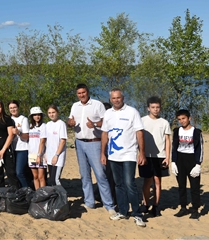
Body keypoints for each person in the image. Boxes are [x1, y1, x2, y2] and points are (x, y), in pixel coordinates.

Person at [67, 83, 115, 216]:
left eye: (83, 92)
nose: (81, 95)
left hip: (95, 143)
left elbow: (106, 122)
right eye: (79, 93)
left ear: (88, 92)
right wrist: (69, 123)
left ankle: (109, 204)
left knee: (100, 174)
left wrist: (94, 124)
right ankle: (89, 202)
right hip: (79, 143)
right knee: (84, 175)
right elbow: (70, 120)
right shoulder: (75, 106)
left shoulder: (97, 105)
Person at [101, 89, 147, 227]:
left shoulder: (132, 112)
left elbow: (139, 133)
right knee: (118, 184)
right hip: (113, 155)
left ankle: (137, 214)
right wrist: (102, 153)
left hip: (129, 154)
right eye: (113, 98)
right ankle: (123, 211)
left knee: (130, 184)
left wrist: (142, 153)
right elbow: (104, 134)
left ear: (123, 98)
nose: (116, 100)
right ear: (110, 99)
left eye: (118, 97)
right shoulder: (108, 113)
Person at [139, 96, 171, 217]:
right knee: (147, 181)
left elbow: (167, 140)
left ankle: (156, 206)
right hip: (146, 155)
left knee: (158, 181)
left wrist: (167, 157)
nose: (155, 109)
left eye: (157, 107)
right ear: (148, 108)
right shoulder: (142, 121)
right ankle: (145, 204)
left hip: (160, 156)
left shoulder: (164, 122)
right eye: (153, 107)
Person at [171, 109, 203, 220]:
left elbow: (200, 149)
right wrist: (173, 162)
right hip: (180, 159)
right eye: (179, 119)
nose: (182, 121)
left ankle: (195, 209)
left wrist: (198, 164)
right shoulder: (176, 131)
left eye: (183, 118)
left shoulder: (196, 132)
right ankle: (183, 207)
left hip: (192, 160)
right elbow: (174, 147)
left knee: (194, 187)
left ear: (189, 118)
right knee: (181, 186)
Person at [9, 100, 32, 188]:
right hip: (11, 149)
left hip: (22, 149)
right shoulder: (9, 119)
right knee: (14, 173)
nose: (13, 109)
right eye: (11, 108)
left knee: (19, 172)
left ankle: (27, 189)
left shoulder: (23, 119)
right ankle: (21, 190)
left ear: (18, 108)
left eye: (14, 107)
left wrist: (18, 133)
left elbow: (27, 136)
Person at [44, 105, 67, 186]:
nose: (51, 114)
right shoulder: (48, 124)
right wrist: (46, 154)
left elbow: (63, 141)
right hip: (49, 155)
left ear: (57, 112)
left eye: (53, 112)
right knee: (51, 180)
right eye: (49, 113)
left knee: (55, 180)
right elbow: (47, 141)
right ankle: (56, 197)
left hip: (58, 156)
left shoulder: (61, 124)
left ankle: (62, 197)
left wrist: (56, 155)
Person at [29, 106, 47, 190]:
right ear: (32, 116)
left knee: (41, 177)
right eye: (35, 115)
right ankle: (37, 194)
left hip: (41, 154)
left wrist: (39, 155)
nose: (37, 116)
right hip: (31, 154)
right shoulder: (30, 127)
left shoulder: (44, 126)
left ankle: (43, 194)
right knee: (35, 177)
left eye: (39, 114)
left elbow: (42, 141)